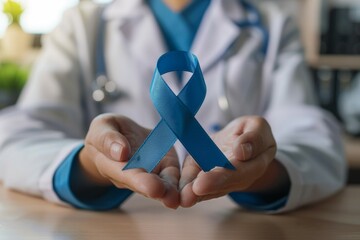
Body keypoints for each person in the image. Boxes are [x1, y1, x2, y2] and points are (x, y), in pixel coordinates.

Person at [0, 0, 346, 213]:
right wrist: (90, 164)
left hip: (234, 227)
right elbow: (20, 136)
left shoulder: (273, 23)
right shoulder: (83, 25)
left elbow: (315, 138)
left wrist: (262, 170)